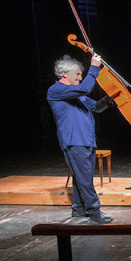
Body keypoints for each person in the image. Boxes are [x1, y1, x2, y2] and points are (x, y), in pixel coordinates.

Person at [47, 54, 113, 224]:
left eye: (80, 75)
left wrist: (109, 98)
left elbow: (96, 107)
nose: (80, 77)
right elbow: (85, 88)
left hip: (86, 140)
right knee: (84, 178)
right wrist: (94, 67)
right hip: (74, 140)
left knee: (81, 177)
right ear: (64, 74)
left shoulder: (78, 95)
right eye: (77, 74)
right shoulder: (56, 90)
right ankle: (94, 211)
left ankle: (78, 208)